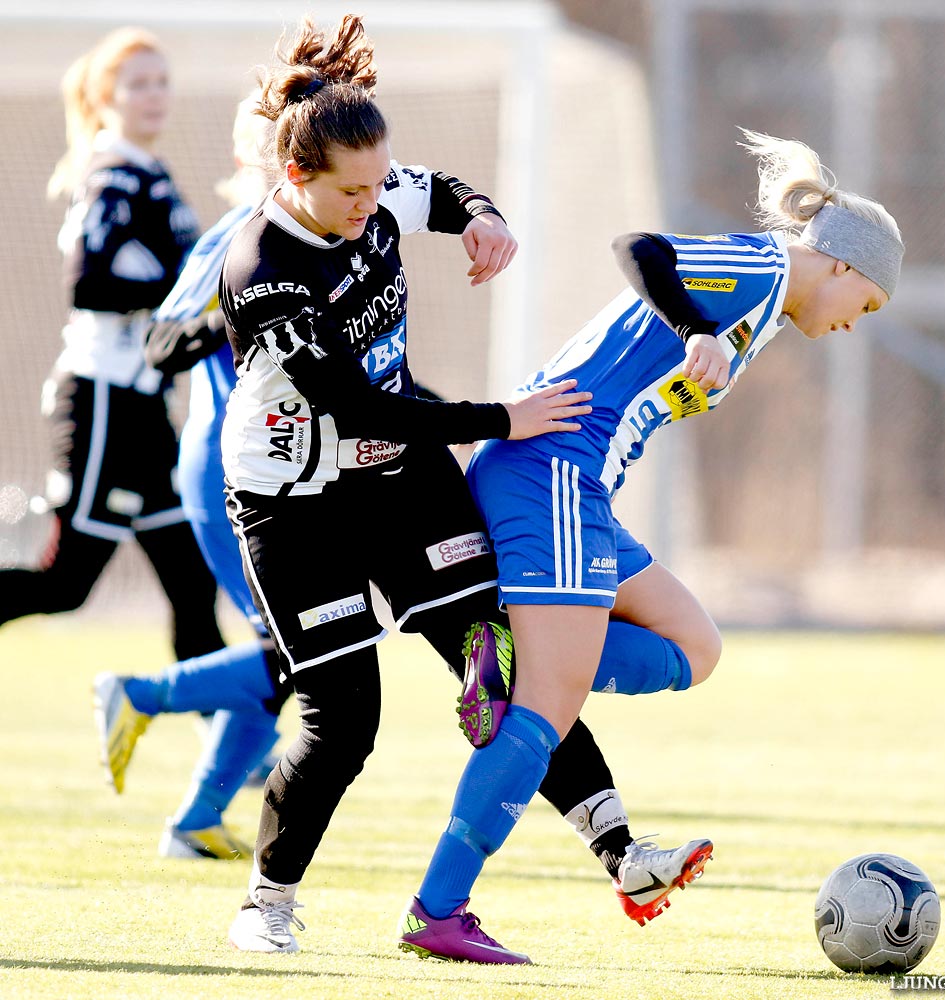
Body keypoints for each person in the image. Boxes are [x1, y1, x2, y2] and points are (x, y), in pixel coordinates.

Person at [214, 14, 710, 959]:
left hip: (402, 479)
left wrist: (483, 218)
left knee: (516, 655)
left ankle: (622, 850)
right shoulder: (264, 272)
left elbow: (439, 190)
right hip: (294, 502)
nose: (370, 204)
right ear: (294, 182)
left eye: (375, 185)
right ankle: (266, 904)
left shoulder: (376, 187)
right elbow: (355, 408)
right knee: (345, 719)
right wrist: (502, 420)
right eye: (349, 193)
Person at [398, 131, 905, 964]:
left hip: (582, 490)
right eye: (868, 306)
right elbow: (638, 248)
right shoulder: (767, 270)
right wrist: (692, 324)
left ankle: (516, 654)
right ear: (845, 267)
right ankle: (437, 909)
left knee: (694, 646)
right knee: (547, 709)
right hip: (548, 469)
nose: (855, 325)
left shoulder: (770, 311)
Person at [91, 90, 289, 860]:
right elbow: (162, 342)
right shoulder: (234, 236)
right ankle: (138, 694)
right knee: (296, 650)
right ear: (250, 160)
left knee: (286, 655)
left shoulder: (318, 238)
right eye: (280, 152)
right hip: (222, 467)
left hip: (274, 472)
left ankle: (196, 822)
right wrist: (243, 311)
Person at [0, 28, 223, 669]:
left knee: (191, 577)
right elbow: (88, 283)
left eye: (162, 82)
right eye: (138, 83)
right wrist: (189, 293)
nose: (155, 95)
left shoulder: (151, 172)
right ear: (106, 96)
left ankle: (228, 747)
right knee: (66, 585)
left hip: (146, 408)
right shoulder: (113, 173)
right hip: (103, 400)